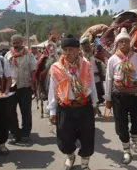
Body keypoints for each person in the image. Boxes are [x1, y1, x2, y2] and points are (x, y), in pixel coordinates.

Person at [47, 34, 98, 170]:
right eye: (65, 49)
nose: (68, 52)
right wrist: (52, 110)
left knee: (87, 137)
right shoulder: (56, 68)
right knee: (64, 138)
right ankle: (70, 156)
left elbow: (92, 85)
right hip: (65, 108)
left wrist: (95, 103)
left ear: (78, 50)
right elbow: (53, 90)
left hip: (84, 106)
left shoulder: (87, 65)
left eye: (71, 49)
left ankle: (85, 164)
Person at [104, 28, 137, 164]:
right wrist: (108, 99)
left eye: (126, 41)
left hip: (135, 95)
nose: (123, 44)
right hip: (119, 97)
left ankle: (134, 141)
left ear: (130, 42)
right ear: (117, 44)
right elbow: (109, 79)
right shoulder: (113, 60)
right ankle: (126, 150)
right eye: (120, 41)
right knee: (121, 125)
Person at [5, 34, 37, 143]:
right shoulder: (8, 55)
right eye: (13, 43)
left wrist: (33, 84)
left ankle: (25, 133)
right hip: (12, 87)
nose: (15, 45)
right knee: (10, 112)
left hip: (25, 87)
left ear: (22, 42)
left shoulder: (29, 55)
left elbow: (33, 70)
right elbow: (5, 72)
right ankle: (15, 133)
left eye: (17, 43)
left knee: (26, 112)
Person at [80, 37, 106, 116]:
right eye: (83, 44)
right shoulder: (80, 57)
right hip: (86, 82)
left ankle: (96, 107)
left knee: (97, 96)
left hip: (96, 79)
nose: (86, 46)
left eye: (86, 43)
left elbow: (102, 61)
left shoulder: (95, 52)